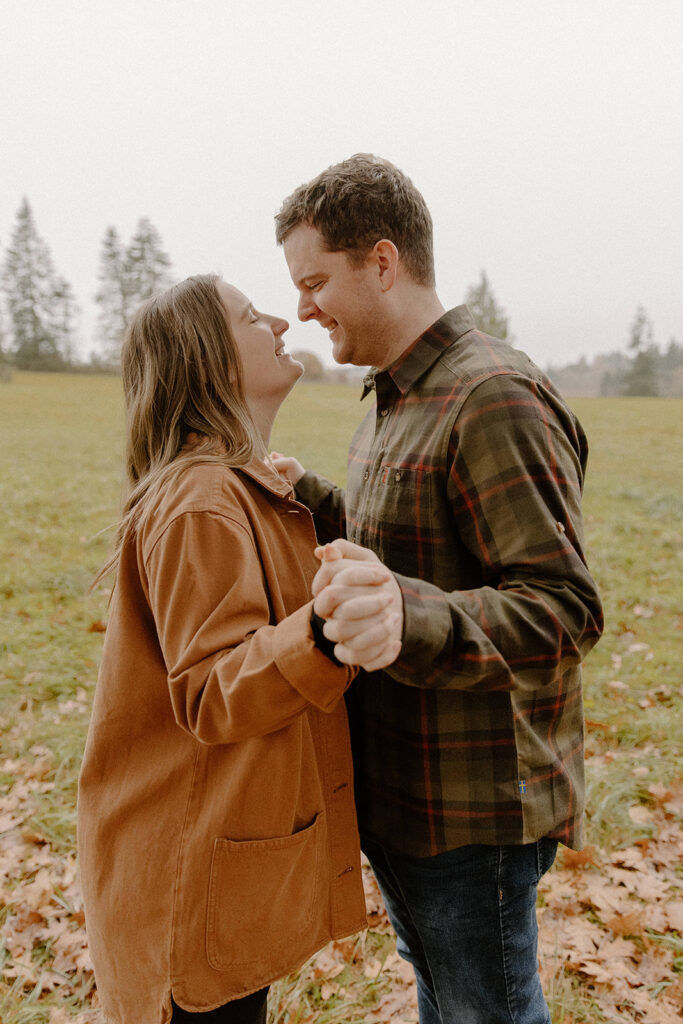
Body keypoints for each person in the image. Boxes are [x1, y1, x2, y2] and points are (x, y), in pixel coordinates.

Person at [272, 154, 604, 1024]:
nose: (303, 309)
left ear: (382, 262)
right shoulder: (396, 394)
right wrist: (311, 499)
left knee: (483, 1010)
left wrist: (404, 615)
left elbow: (564, 608)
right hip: (403, 790)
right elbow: (409, 544)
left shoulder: (490, 394)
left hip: (470, 807)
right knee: (448, 997)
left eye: (315, 282)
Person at [77, 274, 400, 1024]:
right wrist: (326, 627)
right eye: (253, 318)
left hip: (211, 874)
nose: (282, 322)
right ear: (211, 362)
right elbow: (212, 691)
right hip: (182, 891)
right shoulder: (200, 500)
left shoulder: (230, 488)